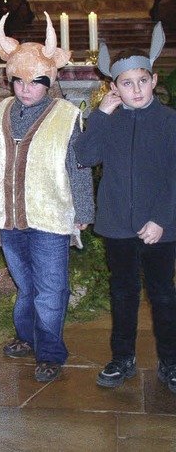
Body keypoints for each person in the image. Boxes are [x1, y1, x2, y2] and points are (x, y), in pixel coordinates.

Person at [0, 12, 94, 383]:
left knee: (51, 289)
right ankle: (26, 337)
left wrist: (84, 208)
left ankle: (51, 352)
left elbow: (78, 166)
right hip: (9, 218)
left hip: (50, 218)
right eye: (18, 81)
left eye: (36, 81)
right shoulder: (1, 111)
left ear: (49, 80)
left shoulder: (67, 115)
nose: (26, 89)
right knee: (26, 286)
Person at [74, 23, 176, 393]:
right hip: (118, 225)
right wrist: (100, 114)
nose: (135, 89)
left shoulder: (169, 122)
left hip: (162, 228)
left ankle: (170, 360)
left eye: (141, 81)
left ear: (153, 80)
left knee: (164, 294)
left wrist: (162, 219)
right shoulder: (109, 121)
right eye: (126, 83)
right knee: (123, 294)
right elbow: (84, 156)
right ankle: (122, 358)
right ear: (114, 87)